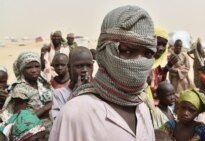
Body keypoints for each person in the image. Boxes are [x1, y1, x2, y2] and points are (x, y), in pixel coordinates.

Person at [49, 5, 156, 141]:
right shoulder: (76, 113)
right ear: (104, 51)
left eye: (148, 53)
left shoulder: (143, 109)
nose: (140, 62)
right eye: (127, 51)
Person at [0, 52, 53, 139]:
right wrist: (45, 108)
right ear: (21, 69)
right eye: (28, 67)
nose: (34, 70)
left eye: (37, 66)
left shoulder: (42, 83)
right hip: (34, 136)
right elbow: (21, 120)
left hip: (49, 131)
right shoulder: (20, 89)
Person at [51, 47, 94, 120]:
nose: (85, 70)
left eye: (89, 66)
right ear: (69, 67)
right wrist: (75, 95)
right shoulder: (60, 94)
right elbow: (58, 122)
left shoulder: (99, 91)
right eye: (79, 66)